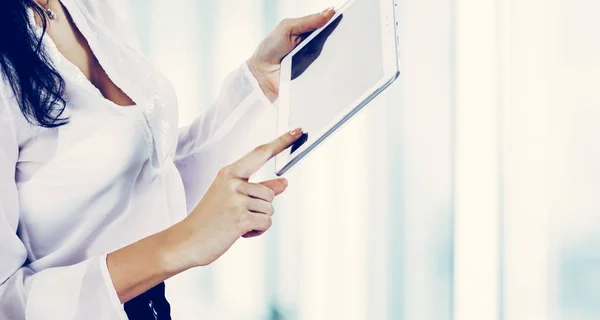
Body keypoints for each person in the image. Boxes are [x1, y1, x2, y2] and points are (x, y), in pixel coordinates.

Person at [0, 0, 336, 319]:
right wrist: (183, 242)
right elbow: (6, 303)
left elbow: (150, 180)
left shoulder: (85, 7)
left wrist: (258, 84)